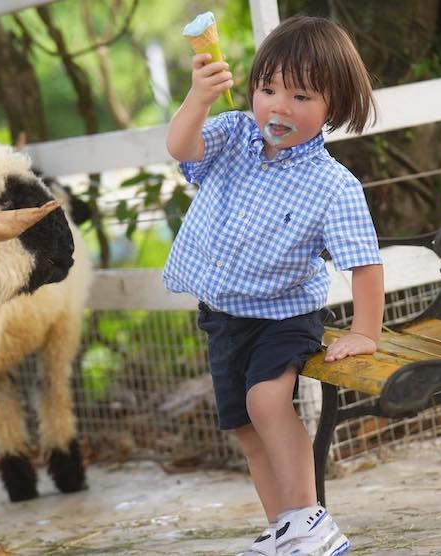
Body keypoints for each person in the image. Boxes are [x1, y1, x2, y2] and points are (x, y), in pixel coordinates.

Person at [162, 15, 384, 556]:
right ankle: (285, 531)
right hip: (224, 315)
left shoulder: (333, 185)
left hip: (286, 316)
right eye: (268, 89)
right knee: (243, 426)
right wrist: (198, 98)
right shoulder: (235, 134)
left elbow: (365, 263)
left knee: (267, 403)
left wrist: (365, 332)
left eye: (302, 96)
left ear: (335, 105)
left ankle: (312, 522)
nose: (279, 107)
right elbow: (180, 148)